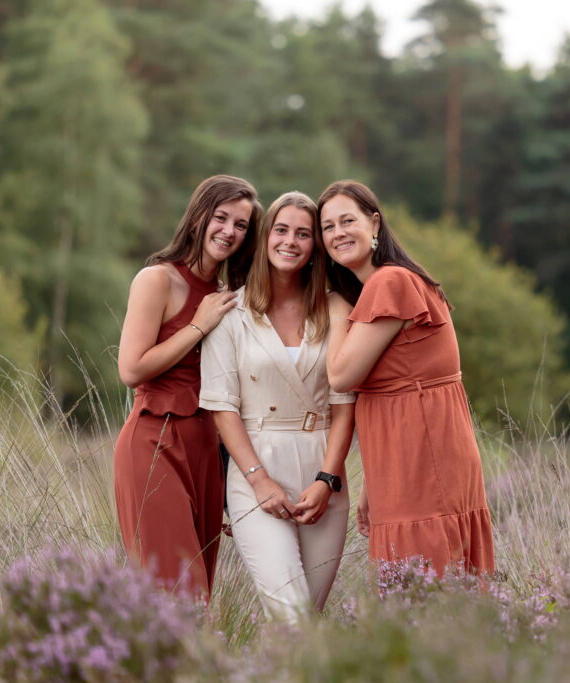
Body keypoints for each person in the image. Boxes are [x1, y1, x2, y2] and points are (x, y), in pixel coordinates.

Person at [319, 180, 494, 577]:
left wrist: (335, 311)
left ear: (374, 223)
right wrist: (372, 483)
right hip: (410, 450)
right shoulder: (389, 282)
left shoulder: (390, 282)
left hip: (421, 452)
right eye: (328, 227)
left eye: (347, 221)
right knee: (426, 580)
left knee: (423, 580)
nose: (338, 233)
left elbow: (341, 376)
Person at [200, 191, 356, 622]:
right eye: (281, 230)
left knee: (304, 620)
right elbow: (222, 407)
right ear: (266, 236)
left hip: (323, 471)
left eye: (303, 234)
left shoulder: (335, 308)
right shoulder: (231, 311)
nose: (290, 241)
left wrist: (327, 480)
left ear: (315, 246)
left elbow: (344, 405)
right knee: (293, 616)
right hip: (256, 469)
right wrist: (259, 480)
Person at [114, 175, 261, 599]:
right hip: (155, 441)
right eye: (221, 218)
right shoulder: (157, 280)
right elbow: (132, 369)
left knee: (200, 594)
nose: (229, 231)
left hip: (208, 454)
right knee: (177, 591)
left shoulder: (228, 296)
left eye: (241, 225)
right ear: (198, 218)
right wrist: (198, 325)